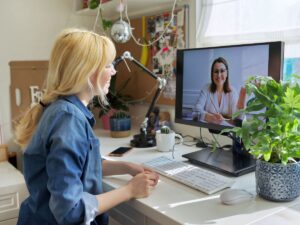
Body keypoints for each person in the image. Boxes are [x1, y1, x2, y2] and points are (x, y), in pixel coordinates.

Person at [15, 28, 159, 225]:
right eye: (108, 65)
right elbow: (70, 211)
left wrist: (125, 167)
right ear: (88, 72)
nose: (114, 71)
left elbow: (80, 166)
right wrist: (130, 190)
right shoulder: (68, 119)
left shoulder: (60, 109)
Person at [193, 57, 245, 125]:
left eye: (222, 71)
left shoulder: (233, 92)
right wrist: (211, 117)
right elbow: (196, 112)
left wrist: (223, 119)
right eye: (216, 71)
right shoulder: (206, 88)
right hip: (207, 131)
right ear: (212, 74)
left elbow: (238, 120)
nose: (219, 75)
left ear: (226, 73)